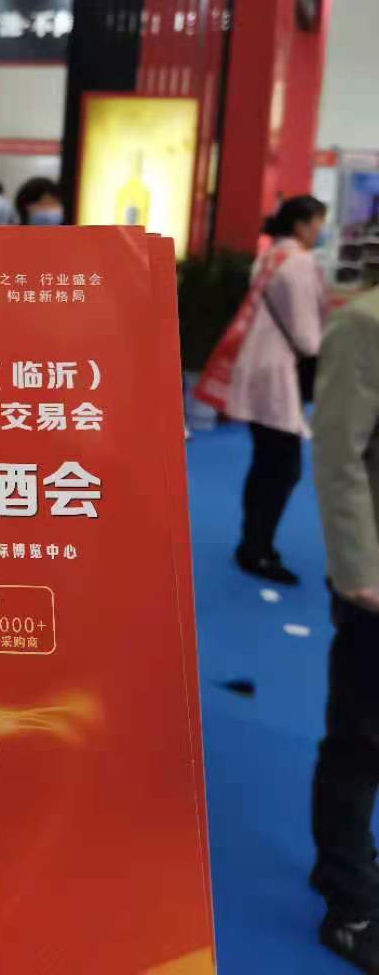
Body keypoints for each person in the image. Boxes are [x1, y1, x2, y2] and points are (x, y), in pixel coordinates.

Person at [310, 282, 379, 970]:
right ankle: (349, 901)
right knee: (361, 739)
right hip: (375, 586)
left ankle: (349, 856)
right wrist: (361, 574)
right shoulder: (364, 324)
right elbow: (337, 455)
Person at [225, 194, 327, 585]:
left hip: (259, 364)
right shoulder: (299, 262)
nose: (320, 231)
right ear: (301, 225)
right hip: (280, 372)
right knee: (282, 468)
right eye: (317, 223)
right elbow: (307, 335)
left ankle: (253, 542)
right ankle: (257, 549)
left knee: (266, 462)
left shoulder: (270, 256)